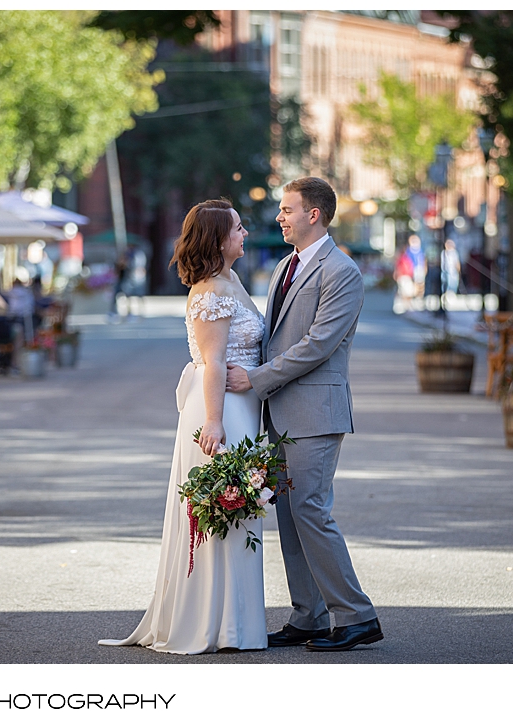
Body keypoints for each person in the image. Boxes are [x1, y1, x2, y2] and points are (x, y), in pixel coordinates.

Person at [99, 199, 267, 654]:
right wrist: (213, 421)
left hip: (243, 408)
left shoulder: (231, 281)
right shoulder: (210, 290)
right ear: (217, 238)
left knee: (239, 512)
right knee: (222, 510)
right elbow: (213, 363)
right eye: (237, 228)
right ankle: (213, 623)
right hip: (221, 410)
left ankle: (237, 623)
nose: (245, 234)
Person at [225, 177, 382, 652]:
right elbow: (273, 335)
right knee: (290, 515)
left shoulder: (342, 272)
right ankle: (309, 615)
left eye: (287, 209)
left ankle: (356, 616)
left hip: (316, 410)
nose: (279, 217)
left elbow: (318, 345)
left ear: (314, 214)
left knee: (312, 509)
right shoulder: (283, 268)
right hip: (278, 413)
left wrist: (257, 379)